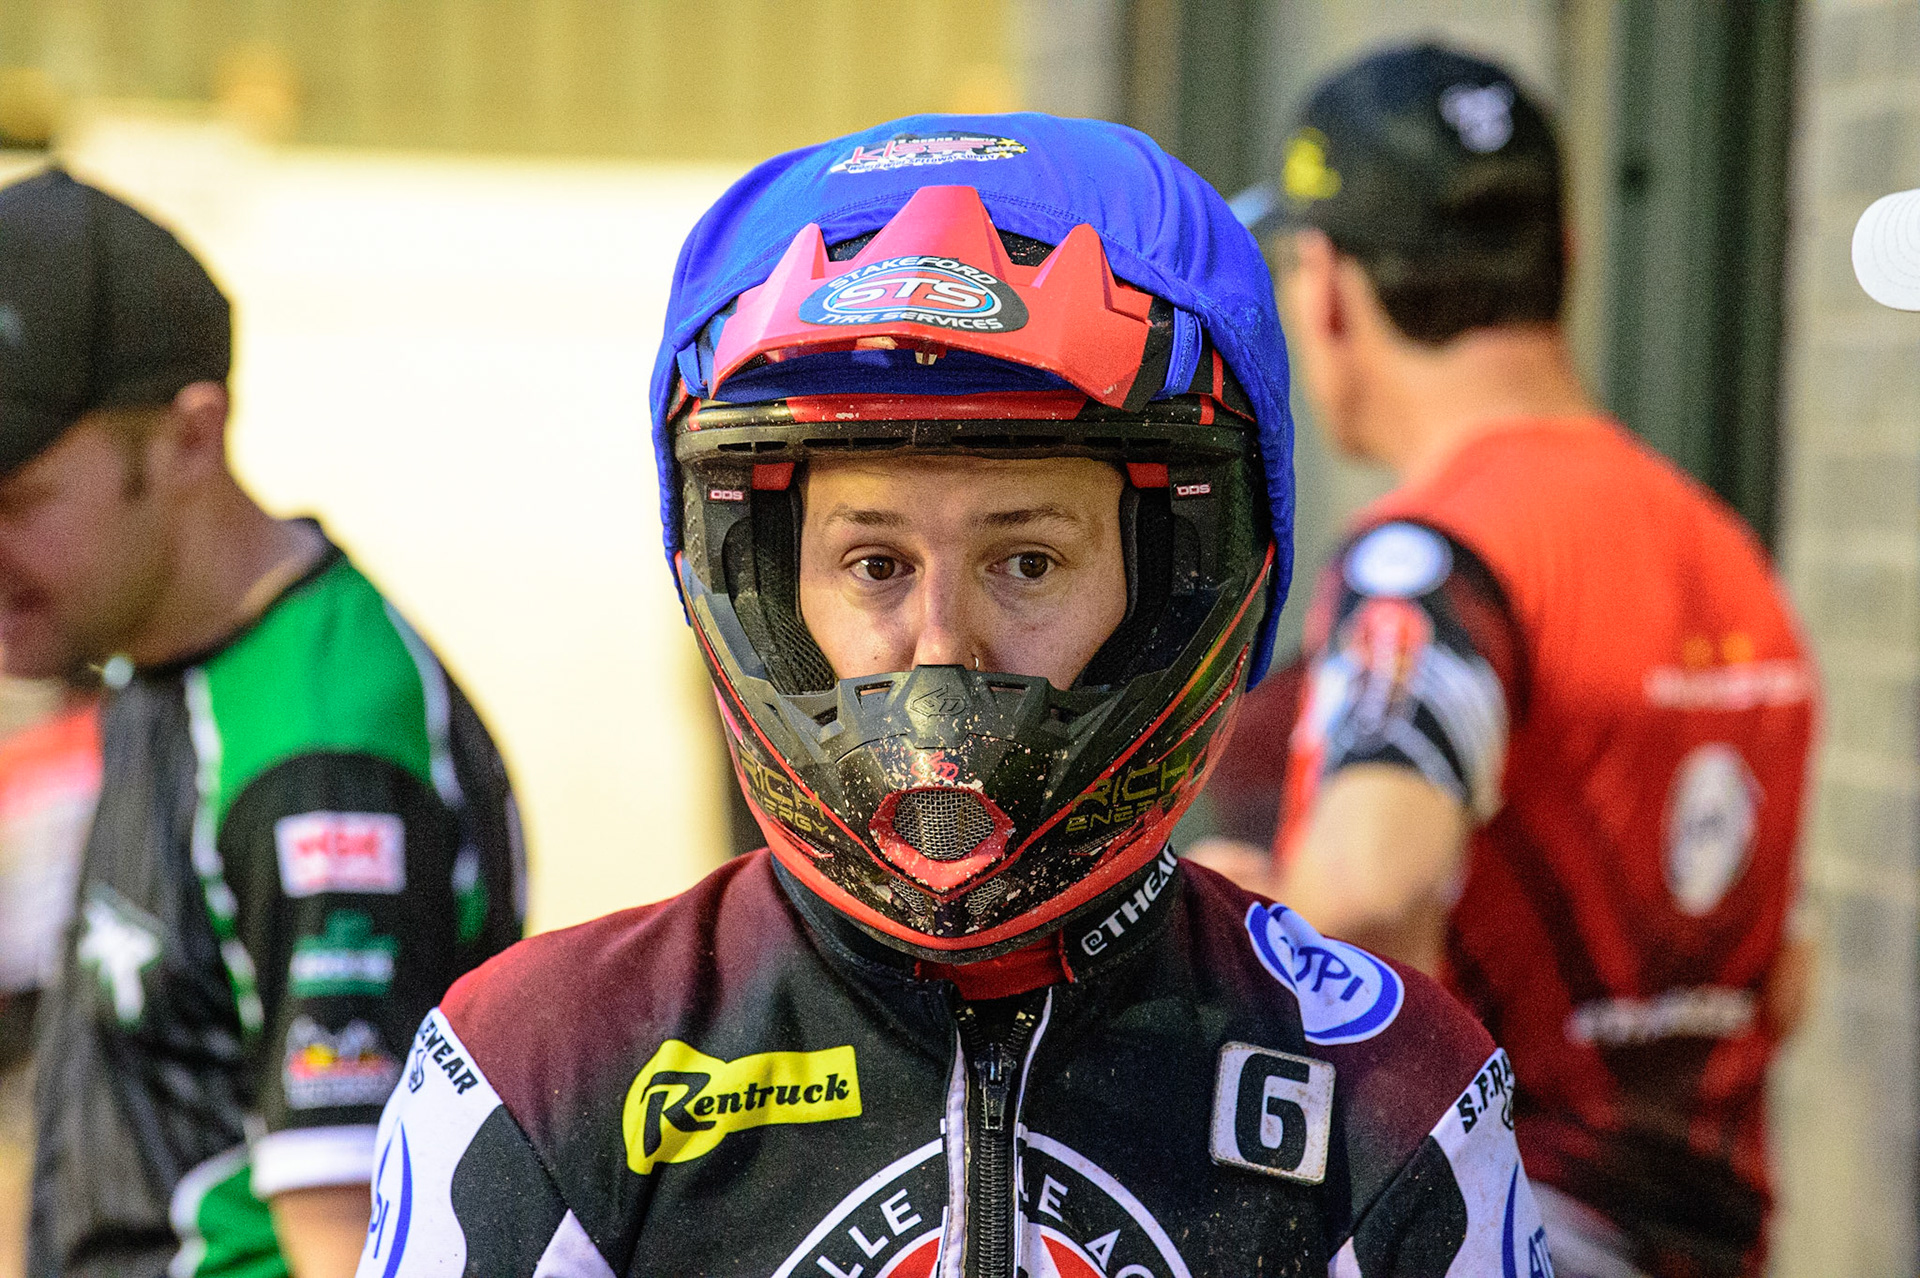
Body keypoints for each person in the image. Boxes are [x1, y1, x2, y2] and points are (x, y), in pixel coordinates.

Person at [355, 113, 1551, 1278]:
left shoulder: (1390, 1096)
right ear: (765, 582)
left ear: (1176, 581)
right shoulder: (545, 1066)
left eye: (1025, 563)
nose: (942, 650)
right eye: (874, 564)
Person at [1196, 44, 1819, 1278]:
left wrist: (1226, 927)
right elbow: (1781, 977)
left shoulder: (1429, 559)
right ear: (1568, 261)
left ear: (1326, 288)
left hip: (1514, 1225)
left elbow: (1370, 890)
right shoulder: (1724, 551)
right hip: (1713, 1237)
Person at [0, 169, 526, 1278]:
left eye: (14, 503)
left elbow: (350, 1247)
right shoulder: (164, 653)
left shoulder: (317, 757)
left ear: (191, 440)